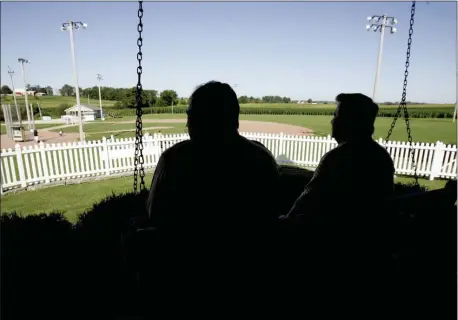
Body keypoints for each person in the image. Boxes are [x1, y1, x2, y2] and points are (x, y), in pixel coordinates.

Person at [146, 81, 280, 228]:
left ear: (198, 121)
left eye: (191, 116)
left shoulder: (173, 160)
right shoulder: (262, 159)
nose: (187, 124)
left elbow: (155, 217)